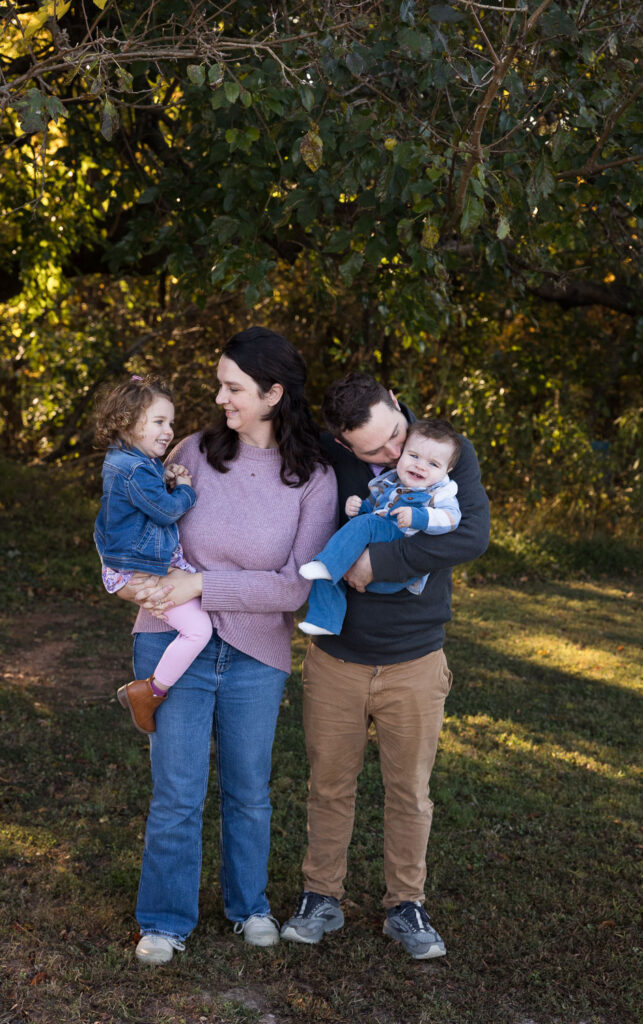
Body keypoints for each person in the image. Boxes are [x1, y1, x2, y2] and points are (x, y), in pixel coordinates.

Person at [118, 327, 337, 965]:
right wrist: (139, 574)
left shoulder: (312, 478)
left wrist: (204, 584)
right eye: (220, 384)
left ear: (273, 394)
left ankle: (249, 908)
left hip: (256, 653)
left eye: (233, 387)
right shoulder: (192, 451)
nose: (219, 397)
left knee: (249, 790)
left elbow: (297, 585)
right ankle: (164, 921)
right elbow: (141, 524)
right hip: (171, 641)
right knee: (178, 791)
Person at [280, 373, 489, 959]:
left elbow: (471, 536)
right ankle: (320, 896)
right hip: (337, 656)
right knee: (328, 786)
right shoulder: (329, 456)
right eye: (375, 451)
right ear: (345, 445)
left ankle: (406, 904)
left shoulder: (446, 449)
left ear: (398, 403)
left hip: (415, 657)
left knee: (410, 792)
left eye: (396, 435)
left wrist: (378, 563)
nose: (397, 456)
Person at [93, 376, 213, 734]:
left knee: (198, 601)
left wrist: (166, 475)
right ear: (128, 423)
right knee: (198, 630)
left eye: (171, 422)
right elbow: (164, 511)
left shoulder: (131, 462)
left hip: (132, 564)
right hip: (136, 570)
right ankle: (149, 692)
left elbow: (142, 499)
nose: (169, 431)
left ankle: (150, 690)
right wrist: (186, 490)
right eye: (159, 422)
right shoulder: (133, 470)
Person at [298, 419, 462, 636]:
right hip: (377, 543)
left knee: (336, 555)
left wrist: (420, 517)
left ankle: (328, 565)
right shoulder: (390, 483)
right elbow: (371, 510)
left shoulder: (441, 492)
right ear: (401, 455)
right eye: (414, 456)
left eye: (433, 464)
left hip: (399, 558)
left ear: (447, 470)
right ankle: (324, 621)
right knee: (333, 561)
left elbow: (452, 519)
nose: (420, 466)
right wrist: (356, 508)